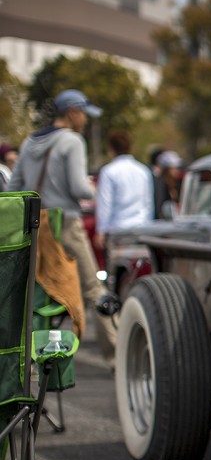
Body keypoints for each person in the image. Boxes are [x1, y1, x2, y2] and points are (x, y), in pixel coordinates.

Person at [8, 89, 117, 366]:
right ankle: (116, 357)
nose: (85, 121)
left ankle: (27, 360)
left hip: (34, 226)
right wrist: (96, 189)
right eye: (84, 114)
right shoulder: (73, 141)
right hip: (65, 224)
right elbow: (79, 188)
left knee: (34, 295)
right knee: (94, 290)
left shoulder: (30, 141)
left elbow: (13, 188)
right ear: (72, 113)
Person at [96, 130, 154, 239]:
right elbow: (148, 203)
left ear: (111, 149)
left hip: (118, 228)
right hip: (141, 227)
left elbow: (105, 203)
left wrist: (101, 229)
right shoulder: (143, 171)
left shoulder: (108, 171)